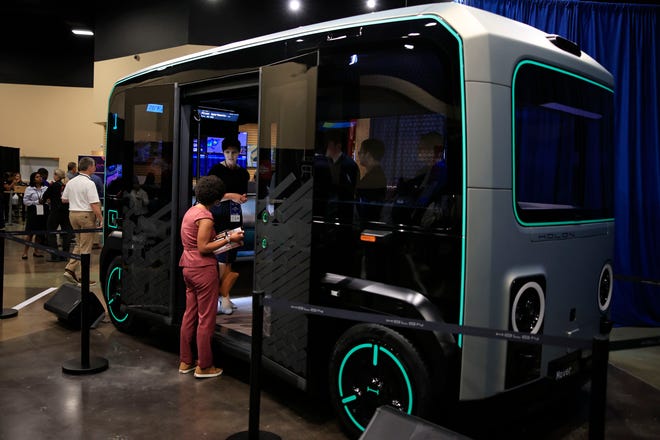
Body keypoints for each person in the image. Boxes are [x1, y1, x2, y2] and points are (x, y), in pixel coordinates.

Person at [179, 175, 244, 378]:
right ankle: (205, 366)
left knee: (189, 315)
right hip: (203, 270)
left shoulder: (191, 212)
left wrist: (225, 237)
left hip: (188, 267)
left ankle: (186, 361)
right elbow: (203, 247)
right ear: (216, 200)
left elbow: (198, 241)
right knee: (206, 319)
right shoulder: (206, 217)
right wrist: (230, 239)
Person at [207, 137, 249, 315]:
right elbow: (212, 195)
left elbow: (242, 193)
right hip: (220, 215)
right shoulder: (216, 170)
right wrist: (232, 195)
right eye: (227, 152)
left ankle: (226, 295)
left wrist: (241, 197)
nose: (231, 155)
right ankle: (222, 297)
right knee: (223, 257)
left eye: (234, 152)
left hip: (235, 214)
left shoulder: (243, 173)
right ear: (223, 153)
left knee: (230, 257)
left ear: (239, 153)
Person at [61, 157, 103, 286]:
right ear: (90, 167)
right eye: (94, 166)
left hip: (72, 214)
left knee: (79, 244)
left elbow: (64, 199)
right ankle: (83, 277)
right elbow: (94, 204)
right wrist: (101, 219)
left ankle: (71, 269)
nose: (95, 168)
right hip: (86, 215)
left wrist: (76, 199)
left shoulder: (71, 182)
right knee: (86, 248)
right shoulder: (89, 183)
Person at [42, 168, 73, 262]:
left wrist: (48, 199)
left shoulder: (53, 186)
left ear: (56, 176)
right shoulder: (65, 186)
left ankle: (54, 255)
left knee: (51, 232)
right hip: (66, 212)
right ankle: (65, 255)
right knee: (66, 233)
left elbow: (44, 197)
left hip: (55, 212)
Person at [355, 138, 387, 222]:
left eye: (360, 152)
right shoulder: (376, 174)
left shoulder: (374, 177)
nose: (358, 155)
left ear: (368, 155)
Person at [22, 171, 49, 259]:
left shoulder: (45, 188)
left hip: (43, 211)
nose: (40, 178)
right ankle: (25, 252)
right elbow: (25, 201)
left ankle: (36, 251)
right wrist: (36, 202)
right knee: (30, 233)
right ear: (33, 179)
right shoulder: (29, 189)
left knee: (39, 233)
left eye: (40, 176)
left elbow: (48, 199)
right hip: (33, 211)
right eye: (37, 177)